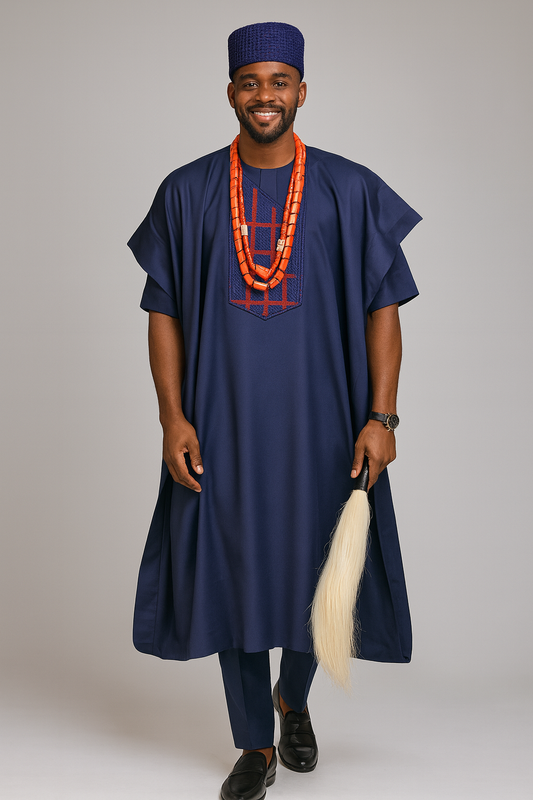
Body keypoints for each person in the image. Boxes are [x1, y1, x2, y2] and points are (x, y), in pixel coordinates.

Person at [128, 21, 421, 800]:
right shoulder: (187, 191)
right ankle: (253, 746)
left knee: (318, 569)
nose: (265, 95)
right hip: (219, 424)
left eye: (279, 81)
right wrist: (172, 418)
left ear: (301, 90)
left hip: (325, 423)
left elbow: (383, 307)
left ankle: (293, 698)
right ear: (231, 91)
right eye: (250, 82)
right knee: (231, 575)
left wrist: (381, 419)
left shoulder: (348, 188)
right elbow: (162, 311)